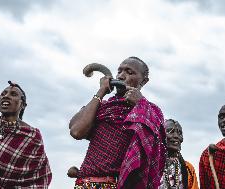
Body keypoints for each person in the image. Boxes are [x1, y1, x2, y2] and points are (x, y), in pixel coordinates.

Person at [69, 57, 166, 189]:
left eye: (129, 72)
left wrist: (140, 104)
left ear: (143, 81)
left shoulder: (149, 111)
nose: (121, 76)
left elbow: (156, 142)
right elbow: (76, 131)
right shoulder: (103, 106)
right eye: (119, 71)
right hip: (84, 184)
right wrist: (101, 91)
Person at [0, 81, 52, 188]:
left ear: (23, 104)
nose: (6, 96)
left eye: (13, 94)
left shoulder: (32, 136)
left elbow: (38, 175)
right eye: (3, 94)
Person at [159, 119, 198, 189]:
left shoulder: (188, 168)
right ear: (160, 135)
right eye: (170, 131)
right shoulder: (151, 166)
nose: (176, 136)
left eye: (179, 133)